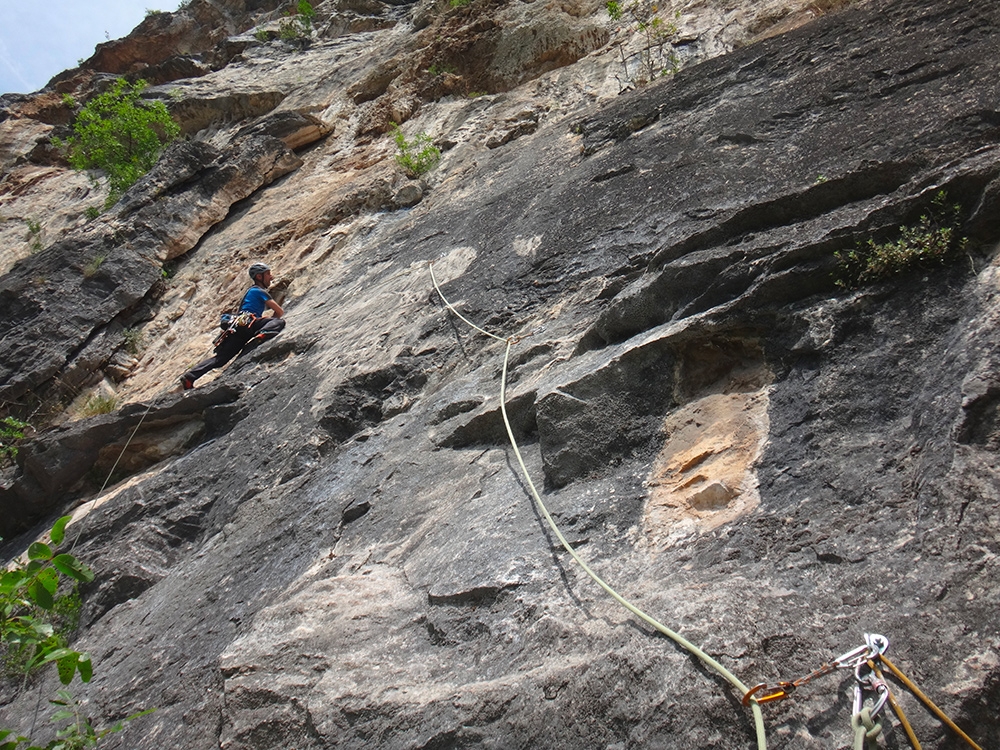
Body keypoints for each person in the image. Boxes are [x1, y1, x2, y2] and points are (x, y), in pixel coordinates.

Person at [180, 262, 285, 389]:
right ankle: (262, 335)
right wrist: (269, 324)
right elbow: (279, 312)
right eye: (268, 274)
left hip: (237, 329)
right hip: (249, 324)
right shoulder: (259, 291)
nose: (271, 277)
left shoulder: (251, 292)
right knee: (279, 322)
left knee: (220, 360)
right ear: (259, 277)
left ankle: (190, 377)